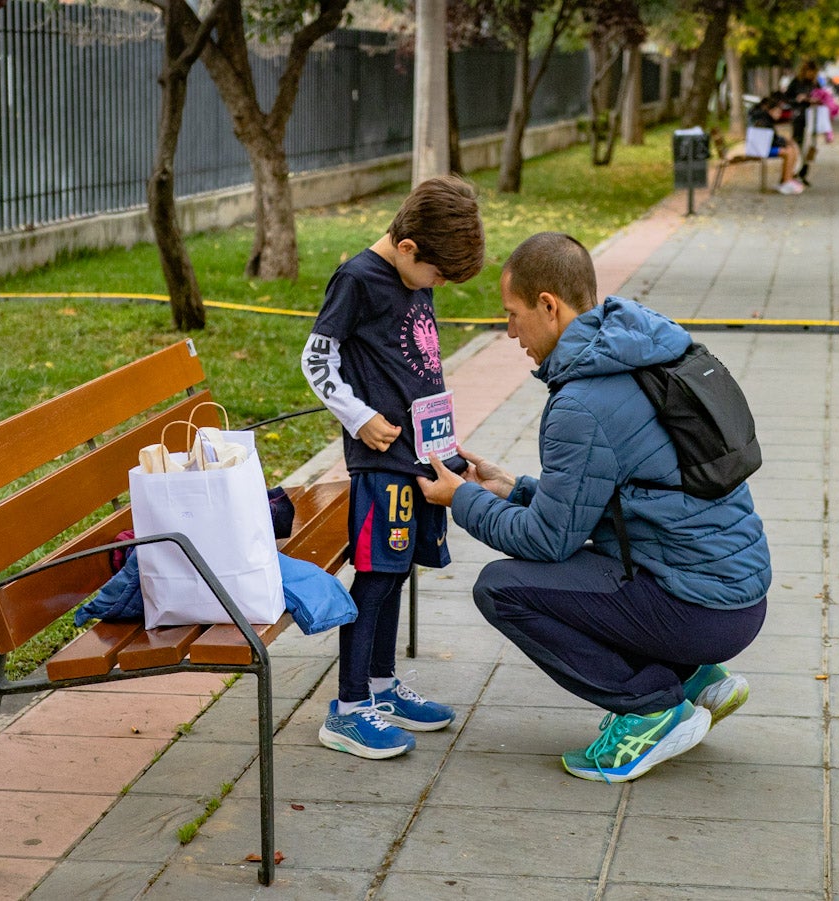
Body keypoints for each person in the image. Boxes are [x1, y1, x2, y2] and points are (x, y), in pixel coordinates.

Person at [417, 232, 771, 784]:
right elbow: (613, 499)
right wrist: (512, 488)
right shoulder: (640, 350)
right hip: (735, 598)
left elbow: (549, 542)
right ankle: (698, 679)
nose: (510, 332)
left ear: (549, 306)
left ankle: (652, 709)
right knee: (584, 574)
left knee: (501, 588)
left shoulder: (581, 401)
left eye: (513, 315)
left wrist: (460, 499)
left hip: (698, 607)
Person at [302, 175, 485, 759]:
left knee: (399, 570)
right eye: (437, 274)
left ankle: (381, 688)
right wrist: (358, 417)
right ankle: (349, 709)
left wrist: (447, 446)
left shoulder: (413, 274)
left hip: (421, 457)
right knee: (377, 577)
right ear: (409, 249)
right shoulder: (358, 278)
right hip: (382, 461)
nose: (438, 285)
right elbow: (316, 357)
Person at [748, 93, 804, 194]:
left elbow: (771, 138)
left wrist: (784, 141)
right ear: (770, 110)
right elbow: (770, 140)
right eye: (778, 112)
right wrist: (783, 142)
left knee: (790, 149)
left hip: (761, 147)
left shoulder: (762, 118)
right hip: (760, 149)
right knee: (789, 152)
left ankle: (787, 179)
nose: (779, 115)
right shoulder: (763, 120)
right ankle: (786, 181)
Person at [783, 59, 820, 184]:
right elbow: (786, 98)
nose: (812, 75)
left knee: (810, 146)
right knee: (798, 143)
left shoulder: (815, 84)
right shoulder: (796, 82)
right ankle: (793, 171)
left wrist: (816, 100)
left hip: (812, 117)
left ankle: (804, 172)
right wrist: (798, 99)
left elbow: (823, 97)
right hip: (799, 116)